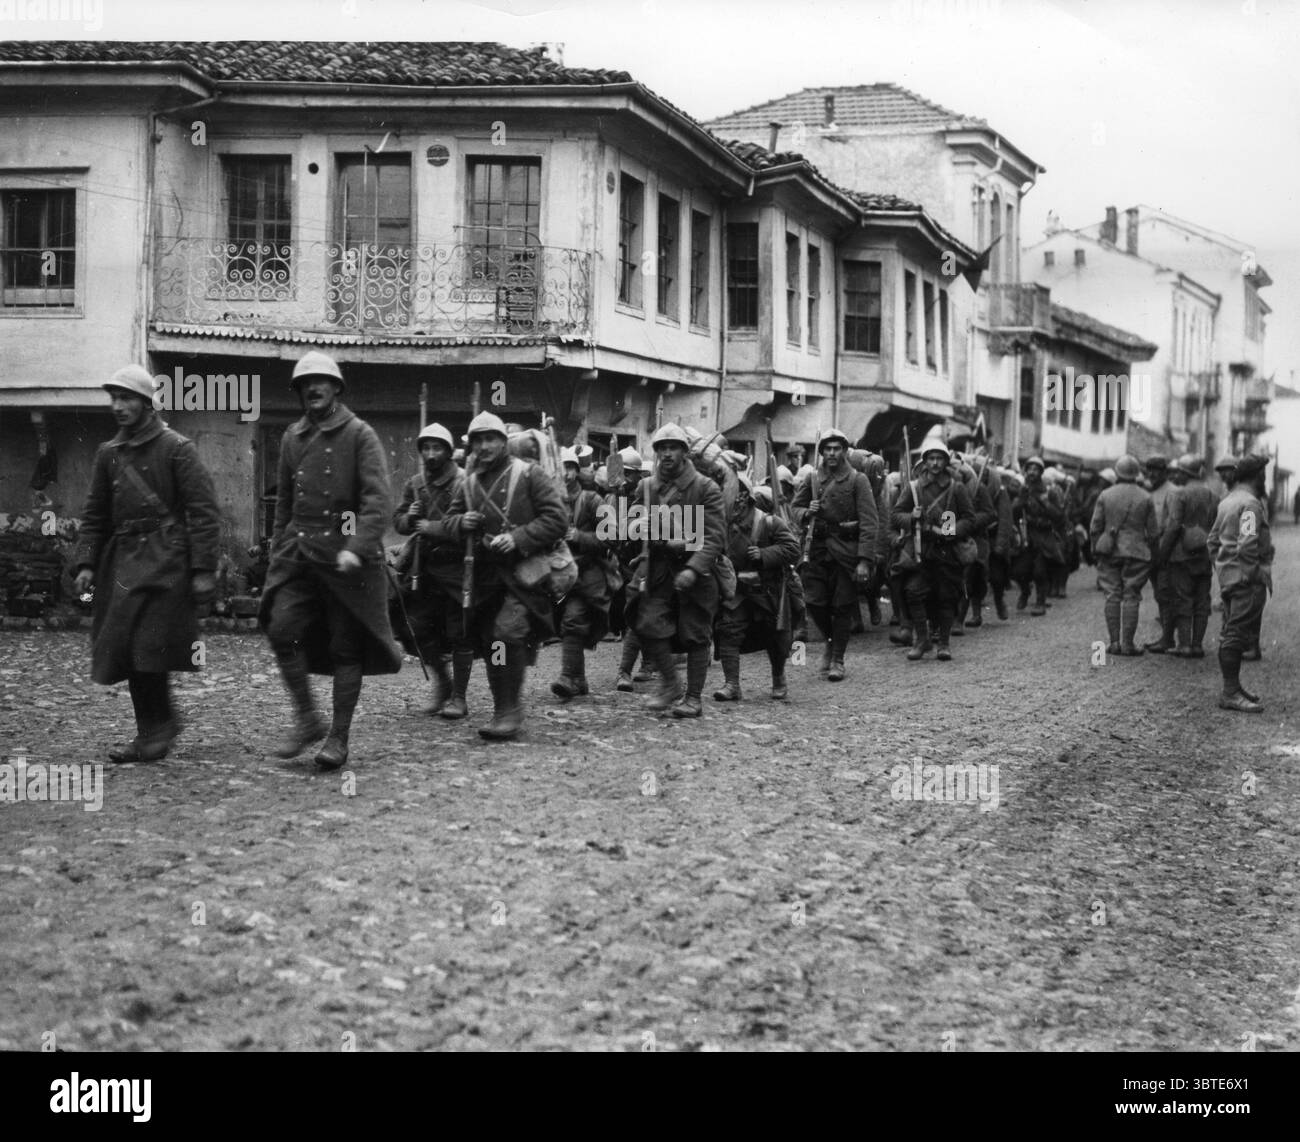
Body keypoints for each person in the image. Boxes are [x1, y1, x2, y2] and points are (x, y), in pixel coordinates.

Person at [261, 351, 402, 771]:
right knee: (282, 627)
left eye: (321, 382)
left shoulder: (360, 434)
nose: (313, 389)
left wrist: (355, 547)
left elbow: (378, 501)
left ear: (336, 388)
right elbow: (284, 502)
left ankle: (337, 738)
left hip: (346, 563)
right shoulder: (292, 437)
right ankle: (307, 718)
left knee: (345, 647)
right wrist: (277, 549)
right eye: (305, 384)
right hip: (301, 556)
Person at [72, 365, 221, 763]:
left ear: (146, 402)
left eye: (127, 398)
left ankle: (158, 727)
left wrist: (204, 569)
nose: (118, 407)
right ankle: (151, 732)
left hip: (166, 557)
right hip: (121, 562)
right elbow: (95, 513)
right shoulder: (109, 454)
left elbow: (203, 511)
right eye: (114, 399)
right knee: (125, 648)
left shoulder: (177, 448)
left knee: (149, 646)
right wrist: (85, 563)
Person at [442, 412, 568, 740]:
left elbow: (557, 520)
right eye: (478, 441)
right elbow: (449, 522)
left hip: (523, 575)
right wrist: (461, 524)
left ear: (503, 441)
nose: (484, 447)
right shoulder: (468, 483)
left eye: (490, 439)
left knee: (506, 634)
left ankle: (510, 710)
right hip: (483, 579)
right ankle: (503, 708)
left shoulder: (529, 474)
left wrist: (519, 537)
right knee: (490, 641)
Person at [626, 423, 725, 718]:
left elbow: (715, 537)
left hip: (695, 572)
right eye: (662, 448)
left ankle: (693, 699)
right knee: (646, 622)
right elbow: (630, 521)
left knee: (695, 633)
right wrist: (633, 527)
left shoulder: (706, 487)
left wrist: (693, 568)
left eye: (673, 448)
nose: (667, 454)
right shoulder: (646, 487)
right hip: (657, 570)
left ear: (684, 452)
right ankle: (670, 684)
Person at [391, 421, 474, 718]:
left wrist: (432, 527)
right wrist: (409, 518)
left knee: (459, 632)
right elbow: (399, 522)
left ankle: (459, 698)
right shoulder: (415, 483)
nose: (430, 453)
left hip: (455, 565)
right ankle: (443, 684)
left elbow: (469, 524)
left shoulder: (464, 481)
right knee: (415, 627)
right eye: (425, 448)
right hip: (422, 567)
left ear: (449, 452)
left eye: (437, 447)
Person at [791, 427, 876, 680]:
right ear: (822, 452)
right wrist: (808, 511)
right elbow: (794, 508)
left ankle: (837, 658)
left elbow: (870, 521)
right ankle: (830, 640)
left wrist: (864, 560)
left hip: (845, 552)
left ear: (845, 451)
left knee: (841, 607)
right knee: (814, 602)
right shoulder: (813, 479)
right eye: (827, 449)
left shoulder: (857, 480)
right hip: (816, 549)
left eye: (836, 449)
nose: (831, 453)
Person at [712, 473, 800, 701]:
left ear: (744, 496)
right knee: (728, 631)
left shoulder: (769, 522)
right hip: (737, 590)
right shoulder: (721, 523)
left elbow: (793, 549)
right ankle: (732, 684)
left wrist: (764, 554)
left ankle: (779, 677)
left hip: (767, 591)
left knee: (776, 637)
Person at [890, 435, 975, 661]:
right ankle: (922, 639)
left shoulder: (956, 488)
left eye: (940, 459)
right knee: (913, 592)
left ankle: (944, 644)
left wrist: (951, 530)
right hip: (921, 549)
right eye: (931, 459)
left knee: (947, 597)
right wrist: (911, 517)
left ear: (946, 462)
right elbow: (896, 515)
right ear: (924, 462)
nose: (935, 463)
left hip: (948, 551)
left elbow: (969, 518)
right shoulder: (914, 487)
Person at [1208, 454, 1272, 712]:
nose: (1264, 478)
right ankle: (1230, 692)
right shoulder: (1251, 504)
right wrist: (1254, 573)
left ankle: (1234, 688)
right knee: (1235, 634)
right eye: (1263, 474)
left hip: (1231, 578)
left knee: (1231, 631)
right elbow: (1247, 546)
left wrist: (1224, 568)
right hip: (1247, 580)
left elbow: (1212, 541)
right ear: (1257, 476)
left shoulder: (1228, 501)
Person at [552, 447, 614, 699]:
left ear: (576, 471)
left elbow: (611, 536)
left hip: (587, 575)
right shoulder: (550, 500)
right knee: (566, 625)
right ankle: (579, 679)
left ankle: (568, 677)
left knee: (573, 620)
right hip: (557, 576)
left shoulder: (593, 500)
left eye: (569, 467)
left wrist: (579, 536)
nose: (565, 473)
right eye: (560, 467)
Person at [1088, 454, 1158, 656]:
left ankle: (1114, 643)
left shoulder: (1105, 494)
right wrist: (1154, 554)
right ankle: (1128, 644)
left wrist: (1096, 548)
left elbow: (1095, 527)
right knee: (1131, 596)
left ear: (1117, 472)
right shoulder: (1146, 497)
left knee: (1111, 594)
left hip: (1110, 551)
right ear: (1137, 474)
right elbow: (1153, 533)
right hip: (1137, 551)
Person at [1160, 454, 1218, 658]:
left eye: (1178, 472)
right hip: (1204, 555)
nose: (1176, 475)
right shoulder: (1212, 495)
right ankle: (1197, 644)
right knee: (1202, 601)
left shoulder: (1180, 494)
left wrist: (1163, 554)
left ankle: (1184, 645)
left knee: (1182, 599)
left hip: (1181, 556)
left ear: (1185, 473)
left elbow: (1173, 526)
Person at [1012, 457, 1066, 616]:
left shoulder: (1050, 492)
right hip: (1027, 535)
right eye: (1029, 469)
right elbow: (1013, 511)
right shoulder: (1024, 490)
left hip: (1045, 536)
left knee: (1039, 571)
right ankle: (1025, 591)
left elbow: (1059, 516)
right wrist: (1021, 499)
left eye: (1036, 469)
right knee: (1018, 571)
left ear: (1041, 472)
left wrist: (1044, 502)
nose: (1032, 472)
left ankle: (1040, 602)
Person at [1141, 456, 1178, 653]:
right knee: (1159, 593)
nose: (1152, 474)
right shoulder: (1149, 492)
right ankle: (1167, 635)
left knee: (1165, 594)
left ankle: (1168, 638)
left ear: (1165, 472)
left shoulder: (1172, 492)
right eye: (1150, 470)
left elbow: (1172, 525)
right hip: (1152, 550)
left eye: (1156, 470)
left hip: (1166, 551)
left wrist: (1163, 552)